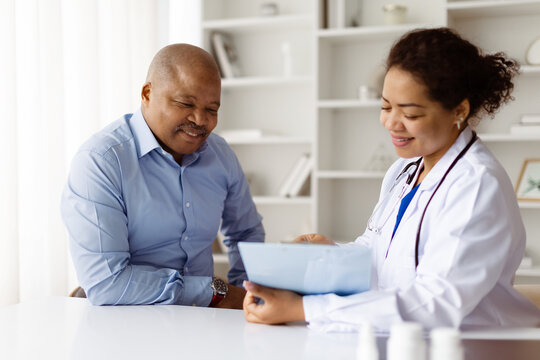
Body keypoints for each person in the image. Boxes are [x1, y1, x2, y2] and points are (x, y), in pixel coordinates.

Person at [243, 27, 540, 331]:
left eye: (410, 114)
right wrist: (330, 254)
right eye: (385, 106)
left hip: (470, 346)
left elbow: (435, 303)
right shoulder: (405, 170)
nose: (390, 123)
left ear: (459, 111)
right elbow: (378, 253)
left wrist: (304, 308)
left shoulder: (477, 184)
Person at [61, 44, 264, 308]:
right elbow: (107, 284)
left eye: (212, 109)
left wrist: (246, 295)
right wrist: (215, 294)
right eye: (185, 103)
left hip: (206, 323)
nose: (200, 120)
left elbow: (246, 232)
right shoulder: (101, 162)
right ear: (147, 93)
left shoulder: (221, 155)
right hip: (126, 324)